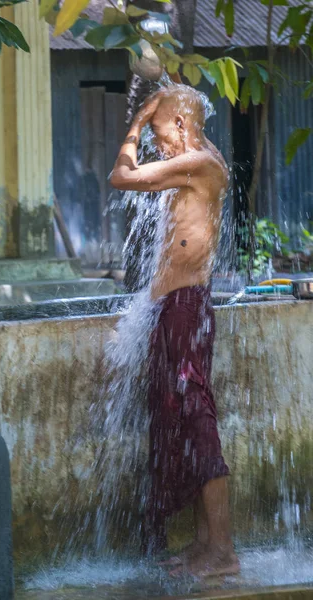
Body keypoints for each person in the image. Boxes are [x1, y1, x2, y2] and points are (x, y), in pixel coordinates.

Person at [110, 85, 240, 579]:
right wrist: (164, 105)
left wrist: (138, 122)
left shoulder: (199, 164)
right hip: (176, 307)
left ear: (183, 128)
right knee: (177, 420)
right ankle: (204, 545)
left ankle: (222, 551)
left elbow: (120, 176)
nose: (157, 145)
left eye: (163, 134)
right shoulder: (204, 155)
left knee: (197, 420)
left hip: (186, 308)